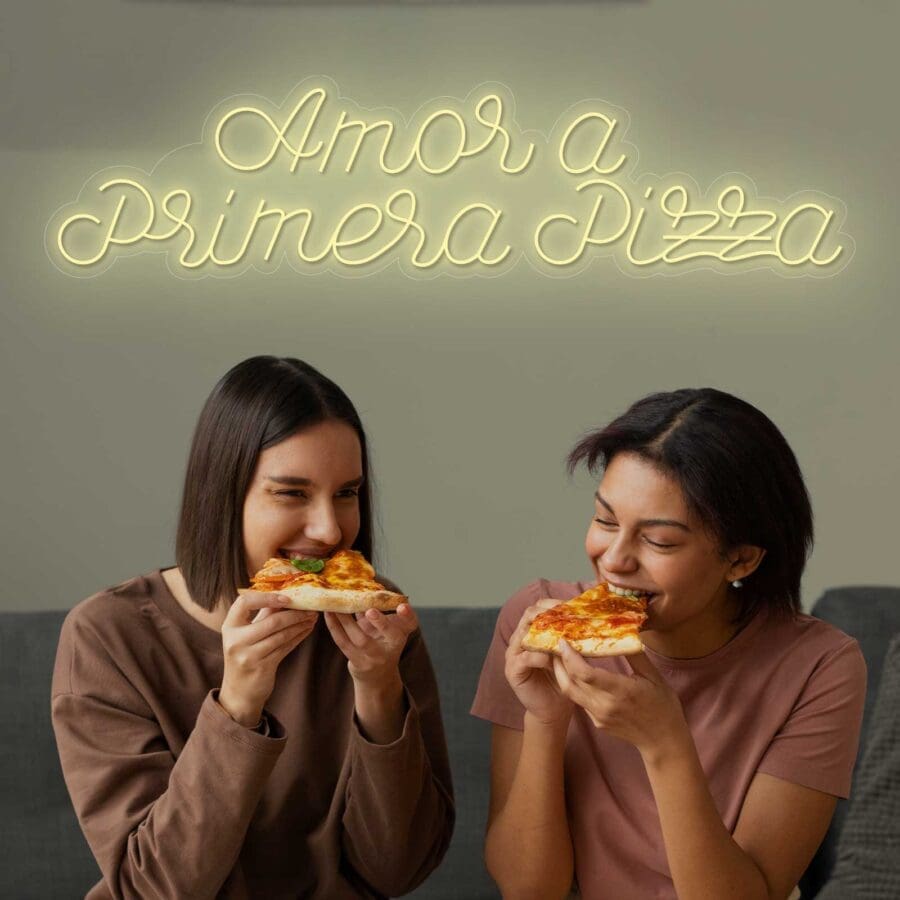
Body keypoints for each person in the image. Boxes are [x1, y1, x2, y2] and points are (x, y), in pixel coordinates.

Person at [51, 356, 454, 900]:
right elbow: (159, 890)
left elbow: (397, 871)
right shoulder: (107, 638)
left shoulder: (379, 626)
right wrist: (237, 706)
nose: (330, 529)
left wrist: (379, 691)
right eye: (291, 493)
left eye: (346, 493)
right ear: (222, 495)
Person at [471, 388, 866, 900]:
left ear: (741, 560)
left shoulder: (821, 666)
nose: (613, 560)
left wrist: (665, 744)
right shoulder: (537, 622)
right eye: (605, 520)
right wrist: (546, 720)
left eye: (658, 541)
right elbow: (528, 889)